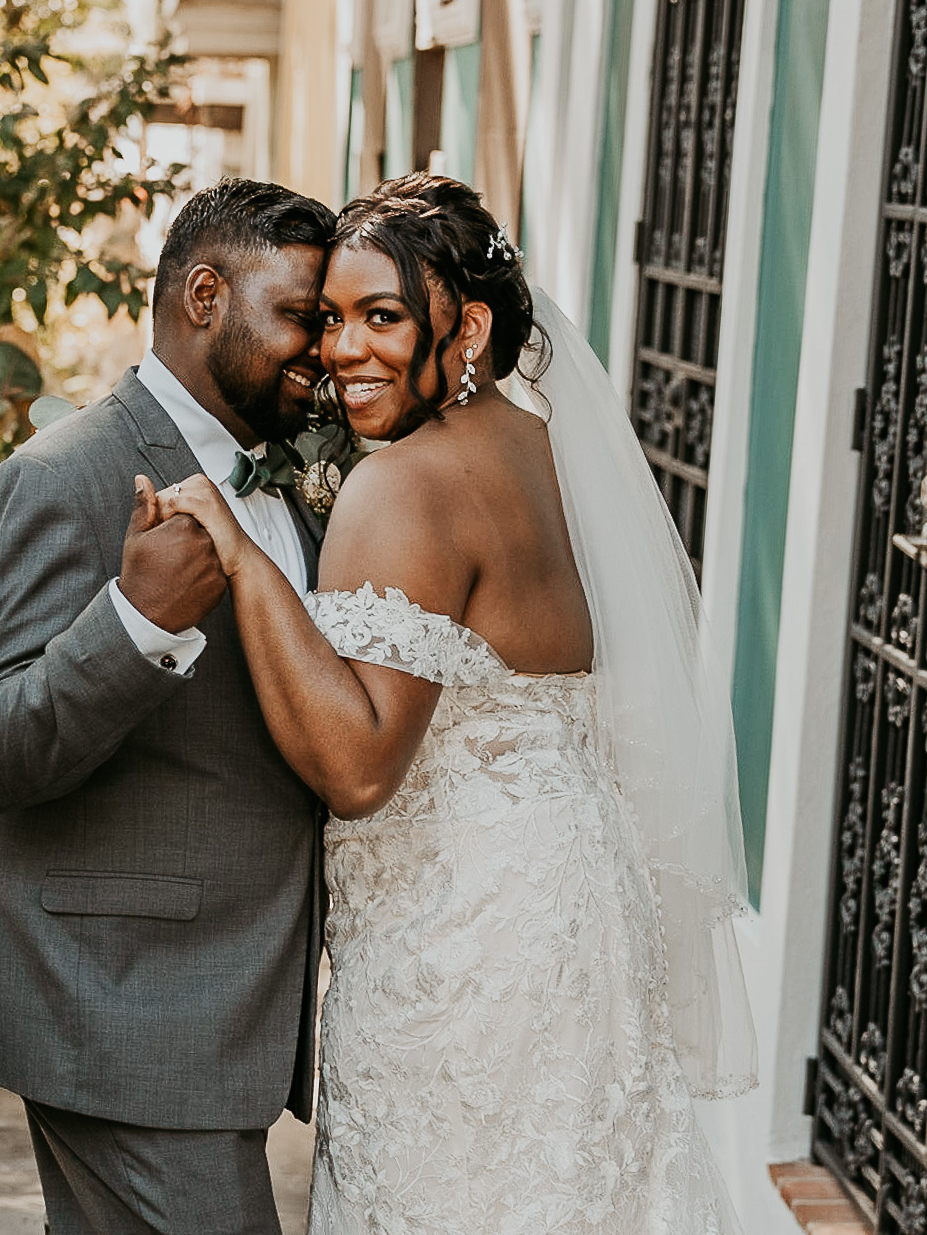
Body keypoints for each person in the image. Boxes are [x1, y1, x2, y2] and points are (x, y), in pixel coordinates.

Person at [154, 173, 759, 1235]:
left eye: (383, 317)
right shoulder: (548, 456)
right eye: (332, 320)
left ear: (467, 325)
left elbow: (359, 767)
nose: (343, 352)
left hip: (460, 950)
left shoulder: (407, 486)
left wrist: (246, 567)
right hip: (576, 912)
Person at [0, 177, 336, 1235]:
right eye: (301, 315)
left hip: (216, 995)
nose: (324, 349)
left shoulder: (292, 478)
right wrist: (138, 619)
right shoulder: (59, 479)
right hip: (118, 996)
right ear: (205, 295)